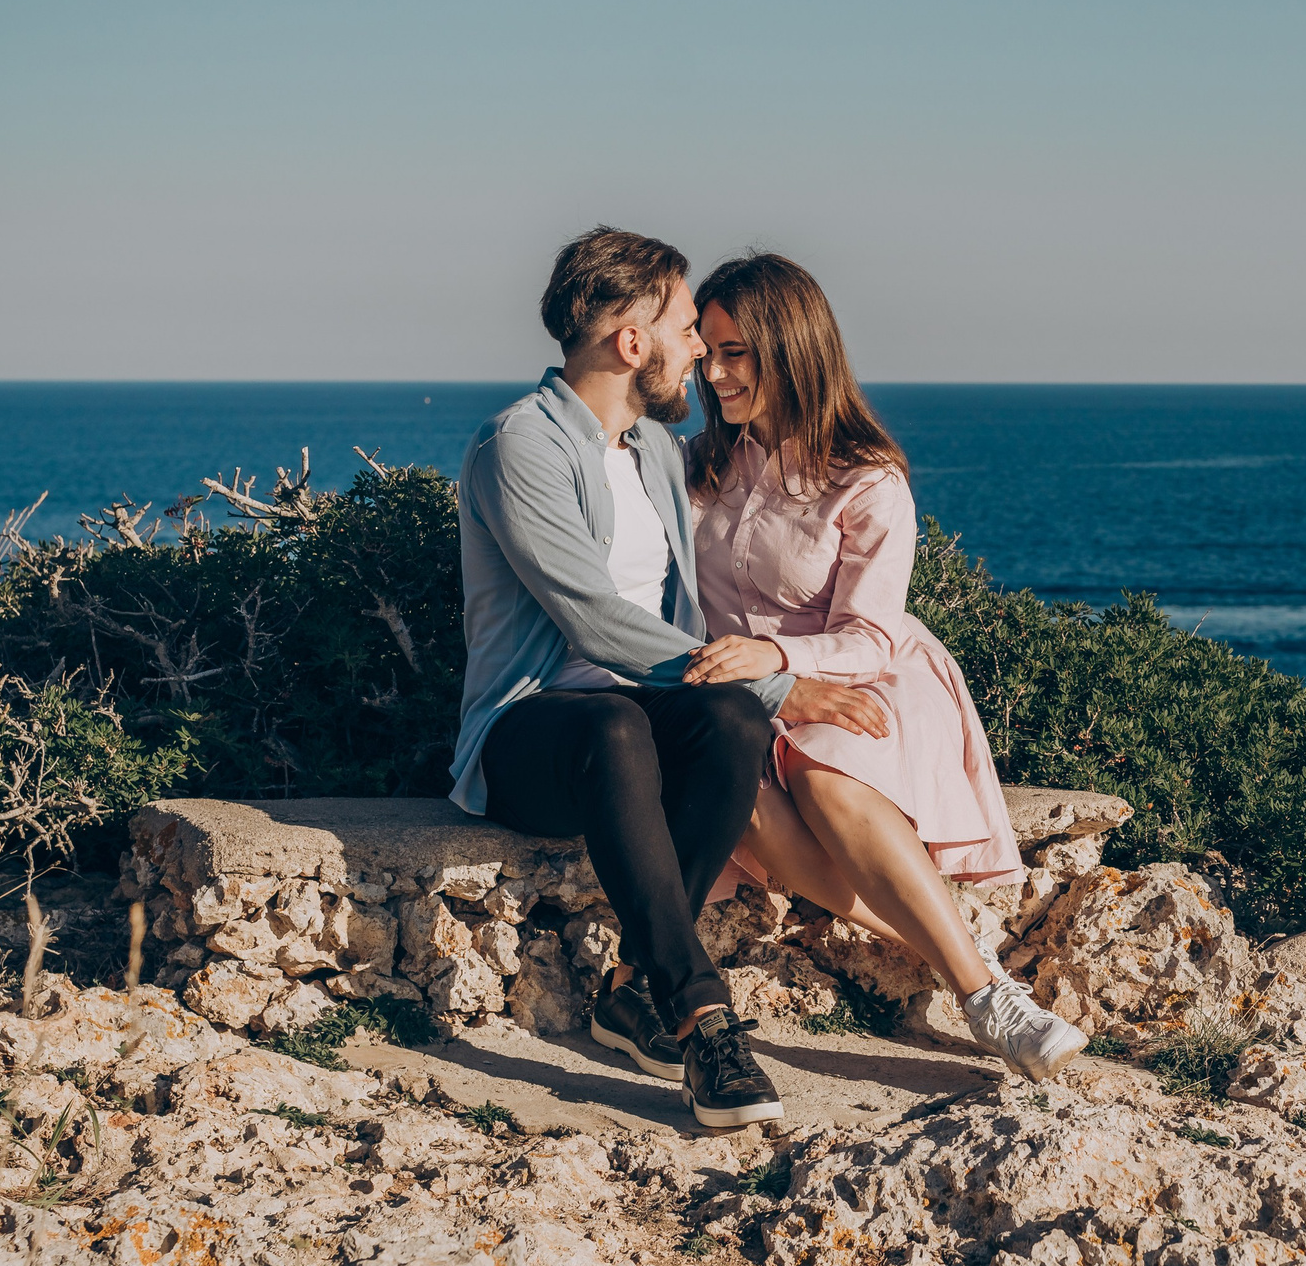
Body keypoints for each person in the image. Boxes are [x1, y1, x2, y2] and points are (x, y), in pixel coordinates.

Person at [451, 227, 888, 1127]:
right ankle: (702, 1018)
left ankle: (625, 988)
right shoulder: (519, 447)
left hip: (643, 725)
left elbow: (755, 527)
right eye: (690, 329)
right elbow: (593, 621)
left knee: (728, 724)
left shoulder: (655, 449)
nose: (702, 350)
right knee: (623, 726)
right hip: (530, 733)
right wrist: (782, 686)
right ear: (631, 341)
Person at [679, 253, 1089, 1082]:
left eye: (736, 354)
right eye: (707, 351)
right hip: (747, 692)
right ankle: (978, 969)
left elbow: (869, 636)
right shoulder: (698, 466)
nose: (714, 373)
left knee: (826, 778)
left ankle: (986, 1003)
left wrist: (781, 658)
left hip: (864, 676)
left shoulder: (867, 482)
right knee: (747, 807)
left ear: (792, 349)